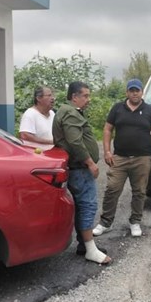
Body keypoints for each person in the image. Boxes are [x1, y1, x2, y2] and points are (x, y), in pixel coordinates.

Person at [93, 78, 151, 237]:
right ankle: (105, 222)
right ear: (127, 92)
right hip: (120, 158)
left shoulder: (149, 110)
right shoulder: (118, 108)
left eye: (137, 90)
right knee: (112, 189)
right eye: (131, 90)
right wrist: (107, 151)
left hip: (142, 158)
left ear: (142, 92)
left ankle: (135, 222)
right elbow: (107, 129)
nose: (134, 93)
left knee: (139, 192)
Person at [52, 81, 110, 264]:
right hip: (80, 169)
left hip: (78, 168)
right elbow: (75, 142)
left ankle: (84, 245)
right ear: (74, 97)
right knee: (87, 206)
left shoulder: (69, 111)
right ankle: (90, 249)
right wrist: (90, 163)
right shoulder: (70, 112)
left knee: (82, 206)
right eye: (85, 95)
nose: (88, 99)